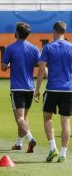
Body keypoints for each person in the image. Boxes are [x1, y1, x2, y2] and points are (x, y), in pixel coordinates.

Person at [34, 21, 72, 162]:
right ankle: (63, 153)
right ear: (64, 32)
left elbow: (41, 70)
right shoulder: (71, 47)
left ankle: (52, 148)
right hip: (68, 89)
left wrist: (37, 89)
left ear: (54, 32)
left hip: (52, 89)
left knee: (47, 118)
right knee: (66, 122)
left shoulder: (48, 47)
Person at [1, 22, 39, 153]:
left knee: (19, 118)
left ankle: (31, 138)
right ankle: (19, 143)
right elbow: (40, 65)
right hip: (30, 87)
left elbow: (3, 67)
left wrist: (12, 63)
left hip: (17, 88)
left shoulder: (10, 48)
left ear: (16, 32)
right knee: (24, 117)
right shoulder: (34, 48)